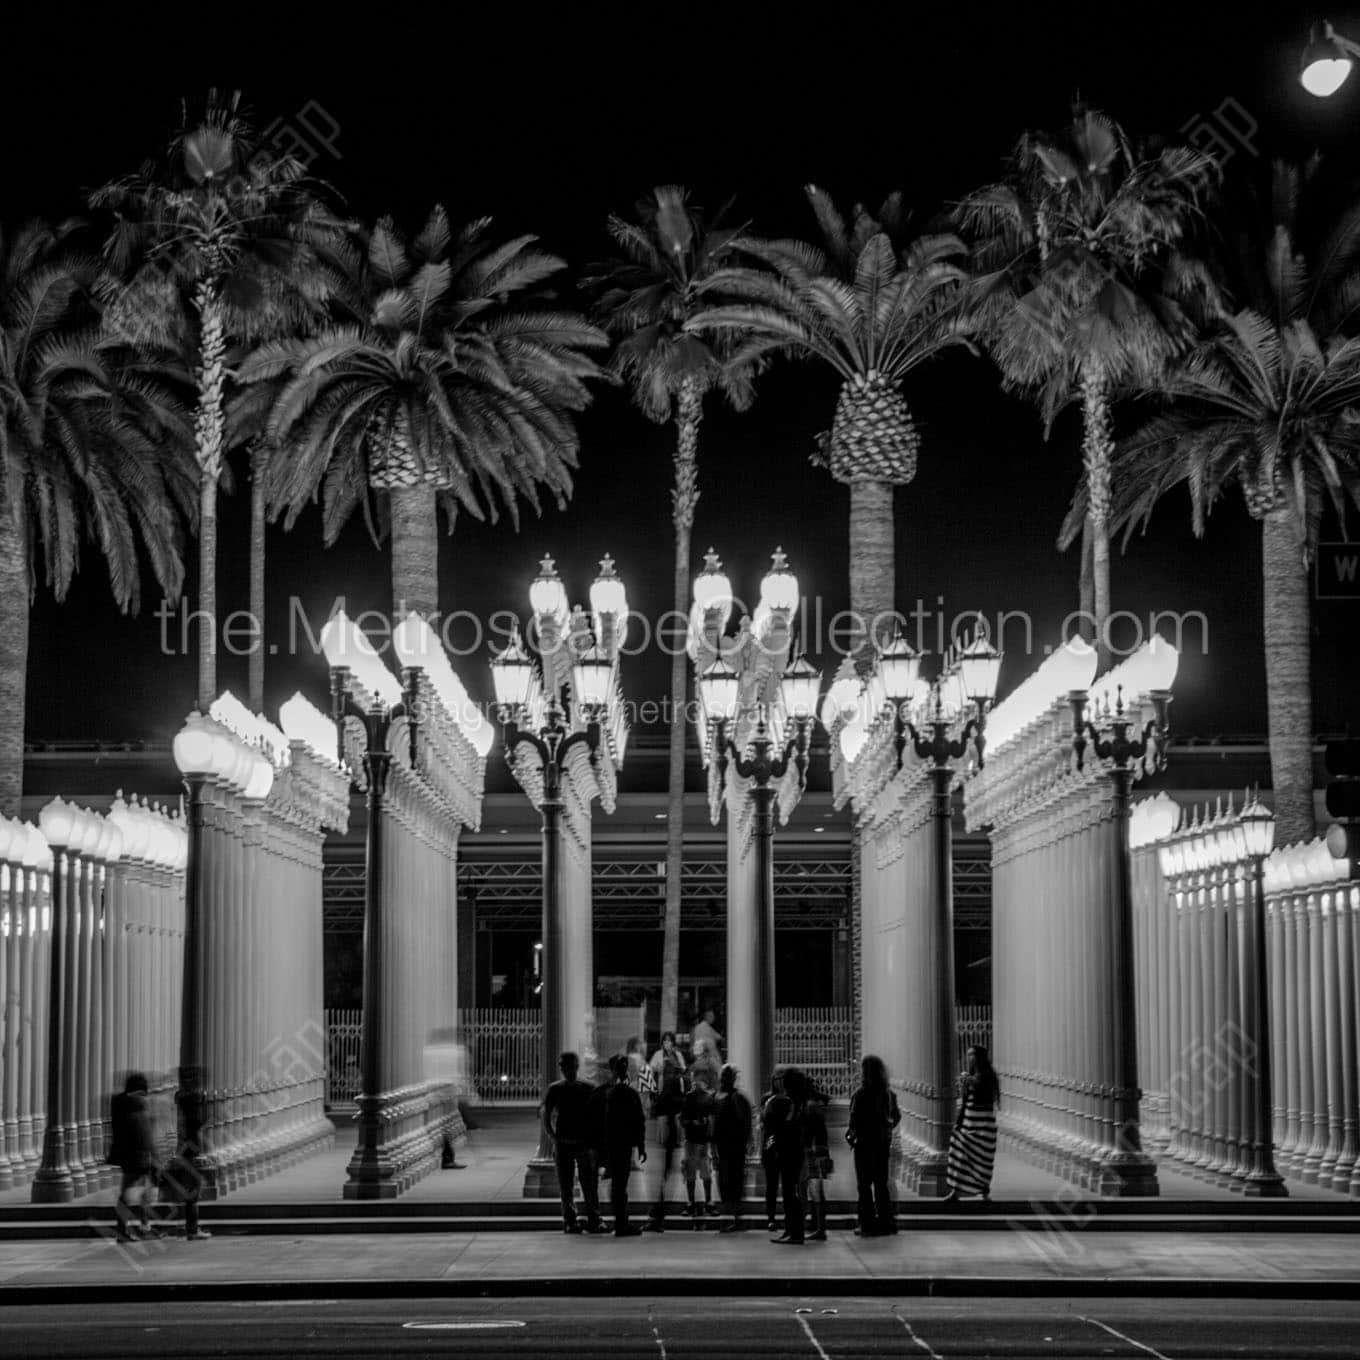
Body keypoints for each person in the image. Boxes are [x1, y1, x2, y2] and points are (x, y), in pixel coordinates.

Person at [542, 1051, 603, 1234]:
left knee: (586, 1183)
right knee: (569, 1184)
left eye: (567, 1066)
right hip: (567, 1142)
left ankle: (588, 1218)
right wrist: (553, 1136)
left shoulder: (586, 1087)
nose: (565, 1069)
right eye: (563, 1066)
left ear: (575, 1067)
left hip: (579, 1141)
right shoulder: (560, 1088)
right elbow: (546, 1114)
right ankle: (576, 1220)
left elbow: (596, 1116)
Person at [846, 1054, 900, 1236]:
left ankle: (867, 1223)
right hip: (882, 1144)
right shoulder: (889, 1094)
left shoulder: (860, 1094)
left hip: (864, 1145)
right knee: (881, 1184)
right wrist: (886, 1128)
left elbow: (853, 1121)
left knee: (864, 1185)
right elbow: (896, 1116)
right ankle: (886, 1223)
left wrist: (854, 1134)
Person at [944, 1046, 1001, 1203]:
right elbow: (964, 1102)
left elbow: (986, 1093)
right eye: (968, 1054)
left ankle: (984, 1191)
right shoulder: (970, 1076)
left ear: (979, 1057)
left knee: (982, 1159)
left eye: (972, 1055)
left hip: (983, 1124)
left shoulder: (988, 1076)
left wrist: (971, 1081)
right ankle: (955, 1191)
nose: (969, 1058)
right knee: (959, 1155)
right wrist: (958, 1122)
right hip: (968, 1122)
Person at [108, 1072, 160, 1242]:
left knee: (134, 1191)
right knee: (134, 1192)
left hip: (126, 1155)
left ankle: (139, 1226)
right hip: (139, 1156)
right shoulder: (137, 1105)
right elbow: (145, 1135)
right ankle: (133, 1228)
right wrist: (154, 1155)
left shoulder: (119, 1104)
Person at [600, 1054, 646, 1236]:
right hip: (622, 1143)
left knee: (617, 1184)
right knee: (620, 1185)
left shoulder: (609, 1093)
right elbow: (638, 1120)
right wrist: (640, 1145)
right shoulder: (627, 1093)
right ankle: (621, 1223)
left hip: (614, 1143)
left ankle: (621, 1221)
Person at [644, 1061, 686, 1231]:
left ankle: (657, 1215)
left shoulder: (670, 1086)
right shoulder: (676, 1086)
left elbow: (659, 1105)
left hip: (663, 1136)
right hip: (668, 1136)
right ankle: (657, 1214)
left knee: (659, 1177)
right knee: (663, 1176)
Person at [712, 1063, 753, 1233]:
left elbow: (716, 1125)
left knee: (729, 1181)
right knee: (732, 1181)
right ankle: (734, 1218)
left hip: (729, 1147)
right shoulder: (737, 1098)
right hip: (732, 1147)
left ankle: (732, 1218)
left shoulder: (723, 1098)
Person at [771, 1066, 809, 1245]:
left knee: (789, 1192)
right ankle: (791, 1229)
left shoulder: (793, 1103)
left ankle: (795, 1231)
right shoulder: (799, 1102)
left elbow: (788, 1127)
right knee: (789, 1192)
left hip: (790, 1152)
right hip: (794, 1152)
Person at [680, 1067, 717, 1221]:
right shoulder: (702, 1097)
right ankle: (702, 1201)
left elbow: (683, 1120)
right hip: (698, 1140)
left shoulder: (702, 1097)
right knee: (700, 1172)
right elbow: (683, 1119)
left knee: (698, 1172)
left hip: (696, 1140)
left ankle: (693, 1202)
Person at [802, 1084, 831, 1241]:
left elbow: (810, 1133)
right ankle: (818, 1225)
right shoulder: (814, 1106)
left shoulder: (810, 1108)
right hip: (819, 1152)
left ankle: (820, 1227)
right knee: (816, 1192)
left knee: (816, 1191)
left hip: (814, 1154)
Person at [759, 1070, 785, 1232]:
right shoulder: (767, 1099)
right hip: (770, 1143)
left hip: (784, 1144)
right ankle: (771, 1216)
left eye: (781, 1079)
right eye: (777, 1079)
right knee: (772, 1184)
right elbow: (762, 1122)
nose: (779, 1082)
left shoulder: (788, 1099)